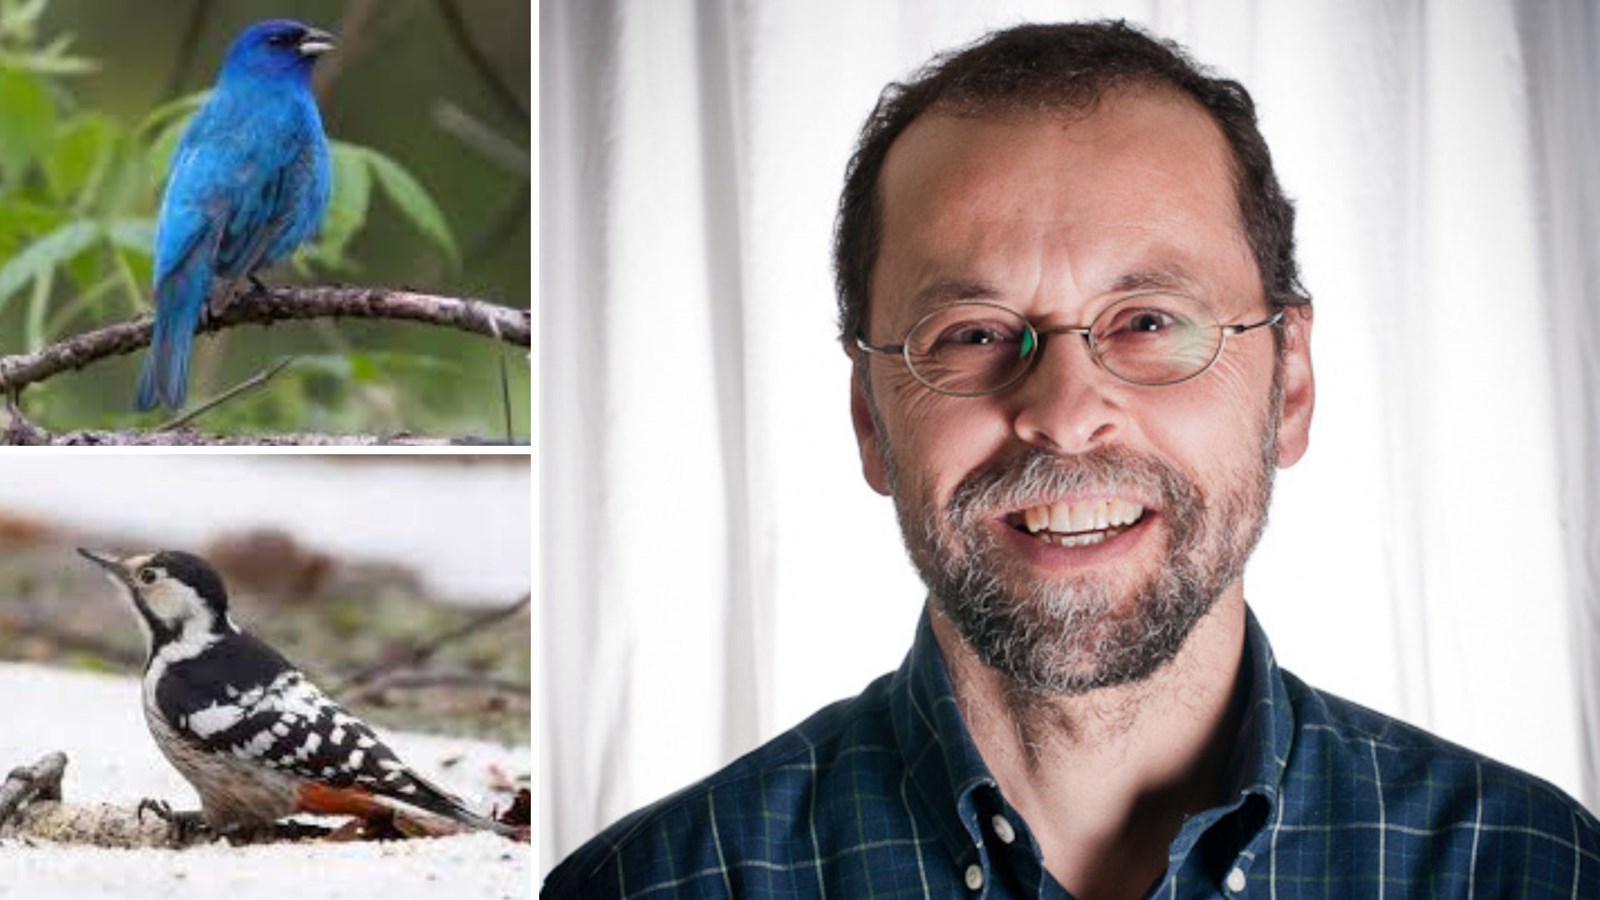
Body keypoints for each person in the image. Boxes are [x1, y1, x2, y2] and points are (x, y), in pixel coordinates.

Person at [543, 20, 1600, 899]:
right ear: (869, 414)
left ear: (1289, 383)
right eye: (970, 332)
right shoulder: (654, 886)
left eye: (1146, 321)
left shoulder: (1528, 871)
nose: (1061, 412)